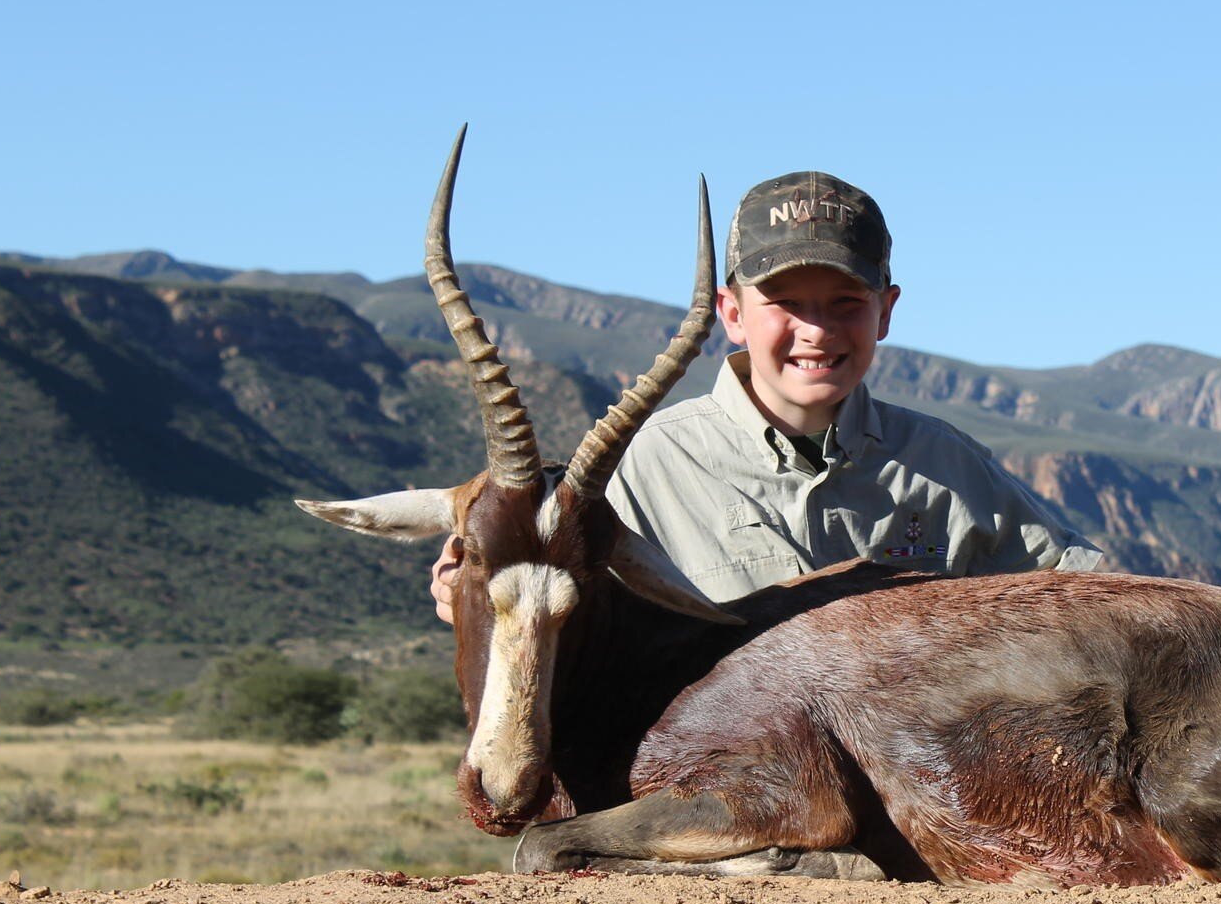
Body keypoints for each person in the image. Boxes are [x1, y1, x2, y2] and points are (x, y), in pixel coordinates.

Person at [431, 170, 1102, 618]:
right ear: (731, 312)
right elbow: (549, 602)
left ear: (886, 311)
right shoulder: (644, 465)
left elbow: (1084, 588)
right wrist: (469, 580)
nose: (816, 330)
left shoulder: (947, 463)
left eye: (846, 302)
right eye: (783, 303)